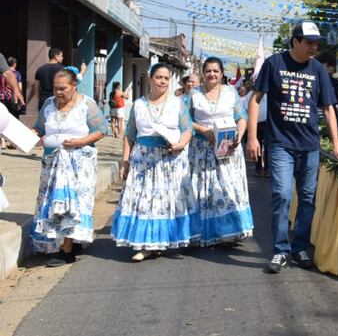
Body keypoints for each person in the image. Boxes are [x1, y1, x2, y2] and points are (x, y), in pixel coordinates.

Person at [247, 21, 338, 273]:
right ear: (296, 41)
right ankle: (280, 250)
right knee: (282, 194)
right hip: (280, 144)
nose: (313, 47)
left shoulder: (319, 71)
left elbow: (328, 108)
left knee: (308, 198)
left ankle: (299, 247)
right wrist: (253, 137)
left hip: (309, 145)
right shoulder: (274, 64)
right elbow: (256, 100)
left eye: (316, 43)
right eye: (309, 42)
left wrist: (335, 142)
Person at [111, 63, 197, 262]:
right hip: (143, 159)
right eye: (159, 77)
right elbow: (129, 134)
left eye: (166, 78)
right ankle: (147, 244)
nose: (163, 81)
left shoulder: (178, 103)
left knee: (166, 201)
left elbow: (188, 129)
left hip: (170, 157)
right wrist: (125, 161)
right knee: (145, 201)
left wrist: (180, 145)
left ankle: (162, 241)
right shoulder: (138, 105)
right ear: (150, 79)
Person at [31, 67, 108, 266]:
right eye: (56, 88)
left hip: (78, 164)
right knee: (52, 203)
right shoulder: (48, 105)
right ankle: (58, 244)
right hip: (52, 163)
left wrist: (81, 141)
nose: (58, 92)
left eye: (63, 88)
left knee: (73, 205)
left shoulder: (86, 105)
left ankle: (67, 251)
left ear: (74, 86)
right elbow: (38, 129)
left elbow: (101, 129)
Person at [188, 57, 254, 247]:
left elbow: (242, 117)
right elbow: (184, 120)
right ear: (203, 73)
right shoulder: (194, 94)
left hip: (227, 148)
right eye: (208, 71)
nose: (212, 74)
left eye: (216, 71)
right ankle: (200, 231)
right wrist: (203, 131)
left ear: (222, 73)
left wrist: (239, 137)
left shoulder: (231, 93)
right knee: (202, 190)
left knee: (227, 187)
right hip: (202, 149)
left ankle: (230, 231)